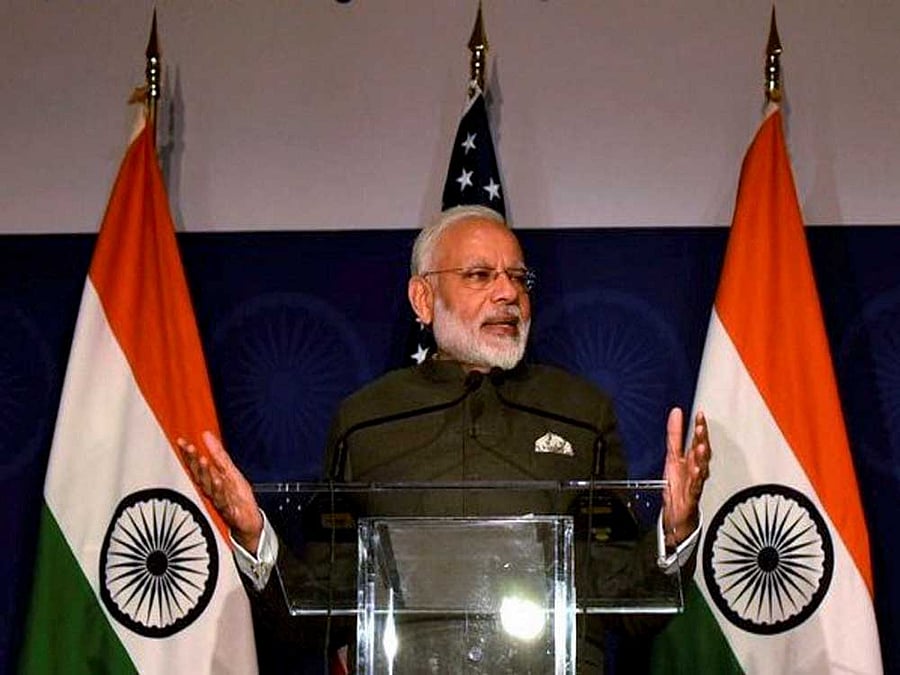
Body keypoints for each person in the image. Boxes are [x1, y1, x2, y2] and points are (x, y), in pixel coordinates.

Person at [178, 205, 711, 673]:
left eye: (518, 278)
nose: (508, 294)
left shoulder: (580, 413)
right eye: (480, 275)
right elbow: (321, 609)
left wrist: (675, 529)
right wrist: (254, 536)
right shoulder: (365, 421)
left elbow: (628, 603)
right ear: (423, 297)